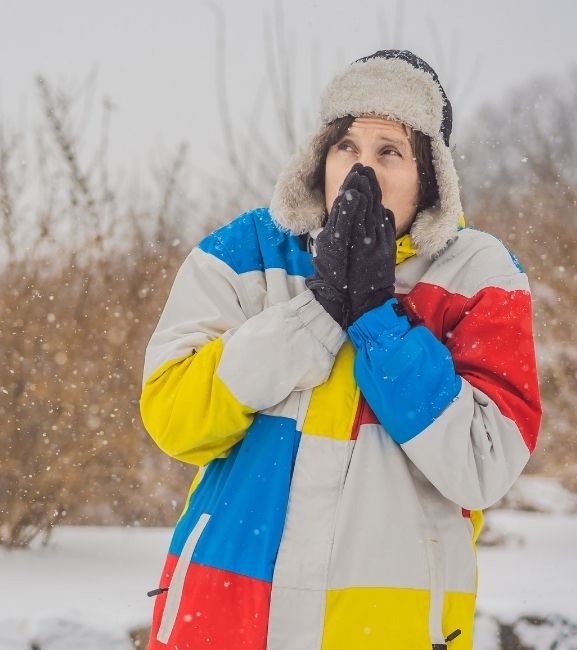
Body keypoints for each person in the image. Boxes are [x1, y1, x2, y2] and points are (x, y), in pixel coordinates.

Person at [139, 49, 541, 650]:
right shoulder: (247, 251)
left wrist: (378, 322)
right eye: (346, 146)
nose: (362, 170)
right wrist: (318, 311)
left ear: (431, 176)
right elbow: (174, 420)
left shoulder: (479, 274)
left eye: (390, 152)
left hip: (387, 631)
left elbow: (482, 465)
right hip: (227, 617)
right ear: (319, 157)